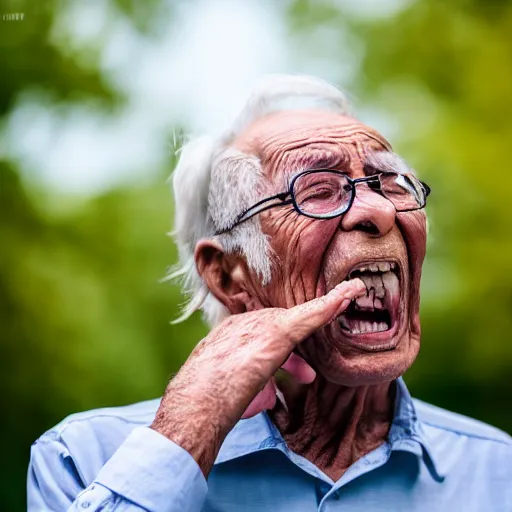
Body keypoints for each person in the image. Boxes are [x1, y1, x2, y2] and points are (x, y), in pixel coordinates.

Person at [28, 75, 511, 512]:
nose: (379, 210)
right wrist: (191, 426)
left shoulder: (497, 473)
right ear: (229, 276)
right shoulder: (82, 460)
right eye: (319, 189)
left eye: (391, 183)